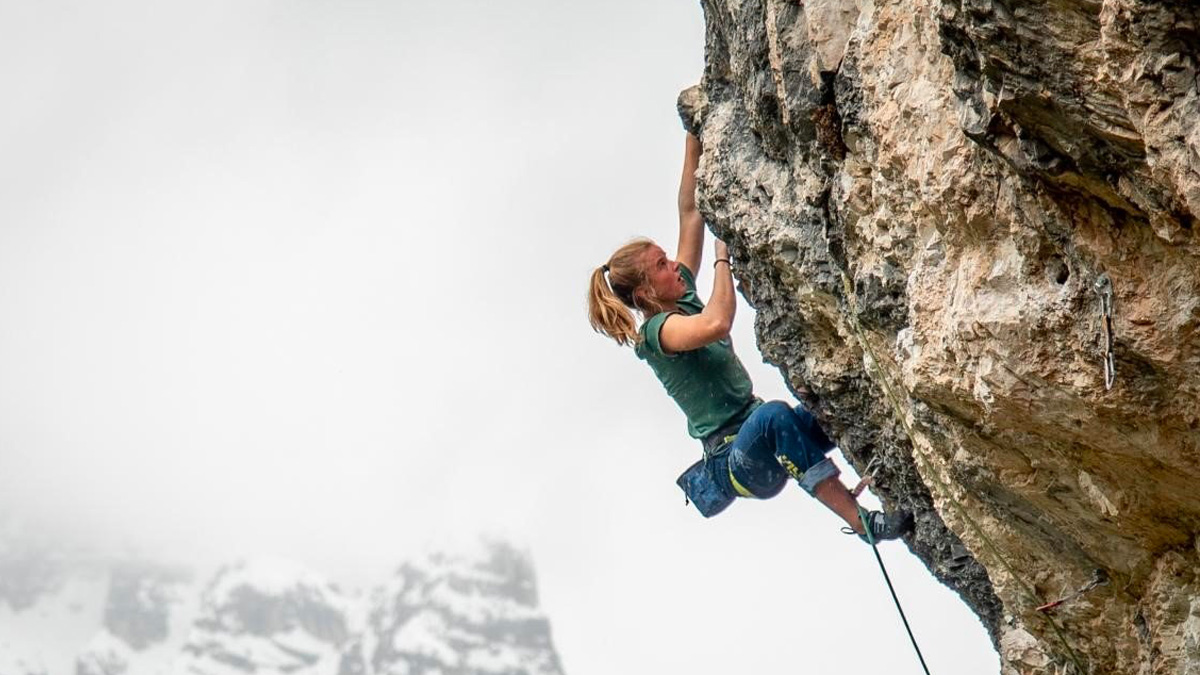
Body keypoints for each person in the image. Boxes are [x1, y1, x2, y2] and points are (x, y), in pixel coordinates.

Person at [586, 132, 912, 543]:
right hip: (735, 459)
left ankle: (894, 469)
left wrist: (693, 136)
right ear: (647, 293)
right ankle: (864, 523)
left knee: (829, 401)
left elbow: (690, 213)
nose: (674, 263)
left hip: (760, 440)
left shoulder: (680, 292)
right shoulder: (656, 333)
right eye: (661, 264)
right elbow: (717, 323)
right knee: (775, 416)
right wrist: (723, 256)